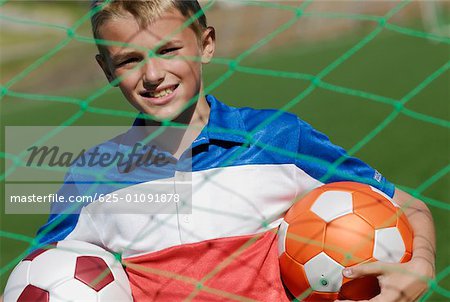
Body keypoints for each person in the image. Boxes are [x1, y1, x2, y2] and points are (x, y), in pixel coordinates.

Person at [23, 0, 435, 301]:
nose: (152, 74)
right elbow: (36, 278)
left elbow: (409, 207)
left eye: (167, 50)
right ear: (106, 70)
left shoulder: (278, 139)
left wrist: (422, 267)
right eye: (129, 60)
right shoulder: (93, 175)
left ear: (205, 44)